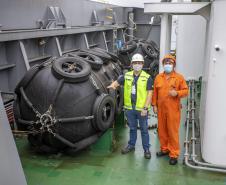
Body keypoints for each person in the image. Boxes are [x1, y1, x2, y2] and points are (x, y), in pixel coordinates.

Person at [108, 53, 153, 159]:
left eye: (139, 63)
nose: (137, 64)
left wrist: (145, 108)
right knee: (132, 128)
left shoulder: (147, 78)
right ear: (132, 64)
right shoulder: (127, 75)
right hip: (130, 108)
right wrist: (112, 86)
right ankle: (131, 145)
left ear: (142, 64)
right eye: (135, 63)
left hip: (141, 109)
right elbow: (117, 82)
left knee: (144, 130)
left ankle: (146, 149)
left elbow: (150, 93)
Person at [151, 54, 188, 165]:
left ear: (174, 65)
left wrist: (177, 93)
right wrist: (154, 105)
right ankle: (165, 149)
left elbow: (186, 91)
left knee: (172, 131)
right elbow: (155, 93)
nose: (168, 64)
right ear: (163, 64)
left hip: (173, 109)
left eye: (170, 63)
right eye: (166, 63)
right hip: (161, 109)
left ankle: (174, 154)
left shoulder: (179, 77)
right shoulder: (158, 77)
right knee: (162, 130)